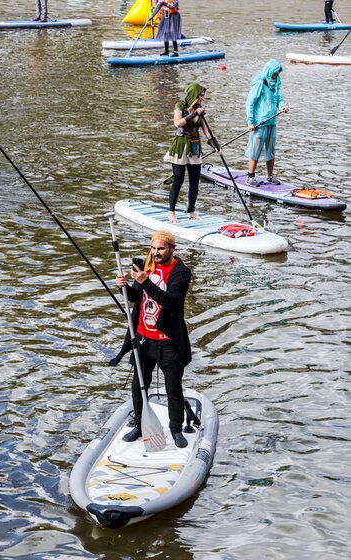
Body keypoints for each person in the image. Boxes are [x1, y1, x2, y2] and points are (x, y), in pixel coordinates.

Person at [115, 231, 192, 449]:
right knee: (139, 386)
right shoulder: (148, 267)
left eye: (160, 249)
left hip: (168, 341)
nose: (156, 253)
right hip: (144, 339)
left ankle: (176, 429)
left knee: (173, 389)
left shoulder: (181, 273)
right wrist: (124, 286)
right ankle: (139, 425)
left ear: (172, 249)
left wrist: (145, 280)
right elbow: (136, 295)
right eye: (153, 249)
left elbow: (170, 302)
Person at [162, 82, 220, 222]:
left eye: (203, 96)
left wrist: (216, 145)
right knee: (178, 180)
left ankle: (191, 210)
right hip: (181, 146)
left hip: (194, 147)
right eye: (201, 95)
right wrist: (193, 113)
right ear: (194, 95)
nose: (202, 98)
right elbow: (177, 123)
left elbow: (207, 131)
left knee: (194, 181)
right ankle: (171, 212)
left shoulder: (200, 110)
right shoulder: (180, 106)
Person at [245, 59, 290, 187]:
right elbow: (250, 103)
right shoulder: (260, 83)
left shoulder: (275, 83)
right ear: (270, 71)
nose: (276, 76)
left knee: (270, 150)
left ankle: (269, 176)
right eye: (275, 73)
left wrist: (282, 106)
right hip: (259, 122)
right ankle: (250, 177)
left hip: (272, 121)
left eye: (277, 74)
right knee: (255, 150)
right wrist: (250, 121)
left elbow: (278, 99)